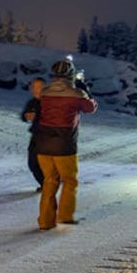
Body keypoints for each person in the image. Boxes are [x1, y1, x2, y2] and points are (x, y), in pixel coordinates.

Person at [35, 59, 98, 230]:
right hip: (65, 144)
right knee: (70, 180)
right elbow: (90, 108)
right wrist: (84, 90)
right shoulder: (76, 94)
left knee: (49, 180)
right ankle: (65, 215)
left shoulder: (45, 92)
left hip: (42, 143)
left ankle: (45, 221)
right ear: (71, 75)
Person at [21, 77, 46, 192]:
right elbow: (24, 115)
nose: (35, 90)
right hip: (36, 136)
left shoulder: (51, 102)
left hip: (50, 137)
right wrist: (26, 116)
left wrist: (38, 117)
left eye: (38, 87)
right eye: (33, 87)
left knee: (46, 163)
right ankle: (45, 184)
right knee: (33, 163)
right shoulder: (32, 102)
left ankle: (50, 184)